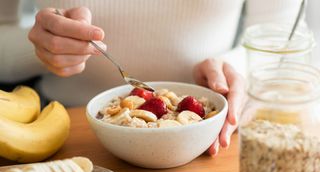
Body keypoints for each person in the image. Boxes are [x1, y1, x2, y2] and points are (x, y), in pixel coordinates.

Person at [0, 0, 305, 156]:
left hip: (211, 140)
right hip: (70, 137)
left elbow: (288, 39)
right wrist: (38, 47)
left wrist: (232, 68)